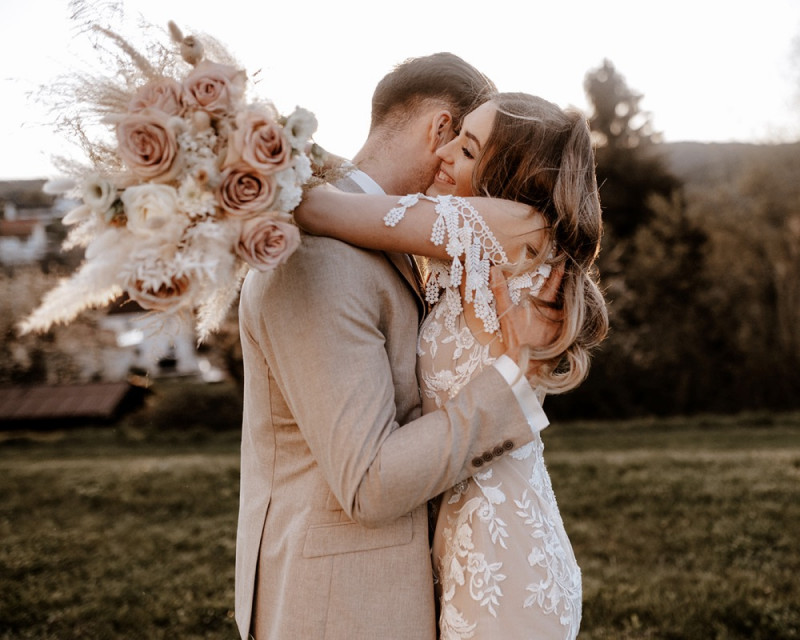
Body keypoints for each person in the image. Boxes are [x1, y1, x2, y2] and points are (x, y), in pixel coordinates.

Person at [235, 56, 562, 640]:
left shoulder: (445, 239)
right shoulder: (319, 256)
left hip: (467, 566)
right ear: (441, 131)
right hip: (340, 608)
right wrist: (514, 382)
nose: (459, 166)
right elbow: (368, 481)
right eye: (462, 145)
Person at [295, 92, 608, 639]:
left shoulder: (511, 225)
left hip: (503, 552)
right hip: (466, 538)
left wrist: (236, 158)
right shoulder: (471, 247)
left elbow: (325, 210)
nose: (443, 154)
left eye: (466, 149)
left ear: (503, 175)